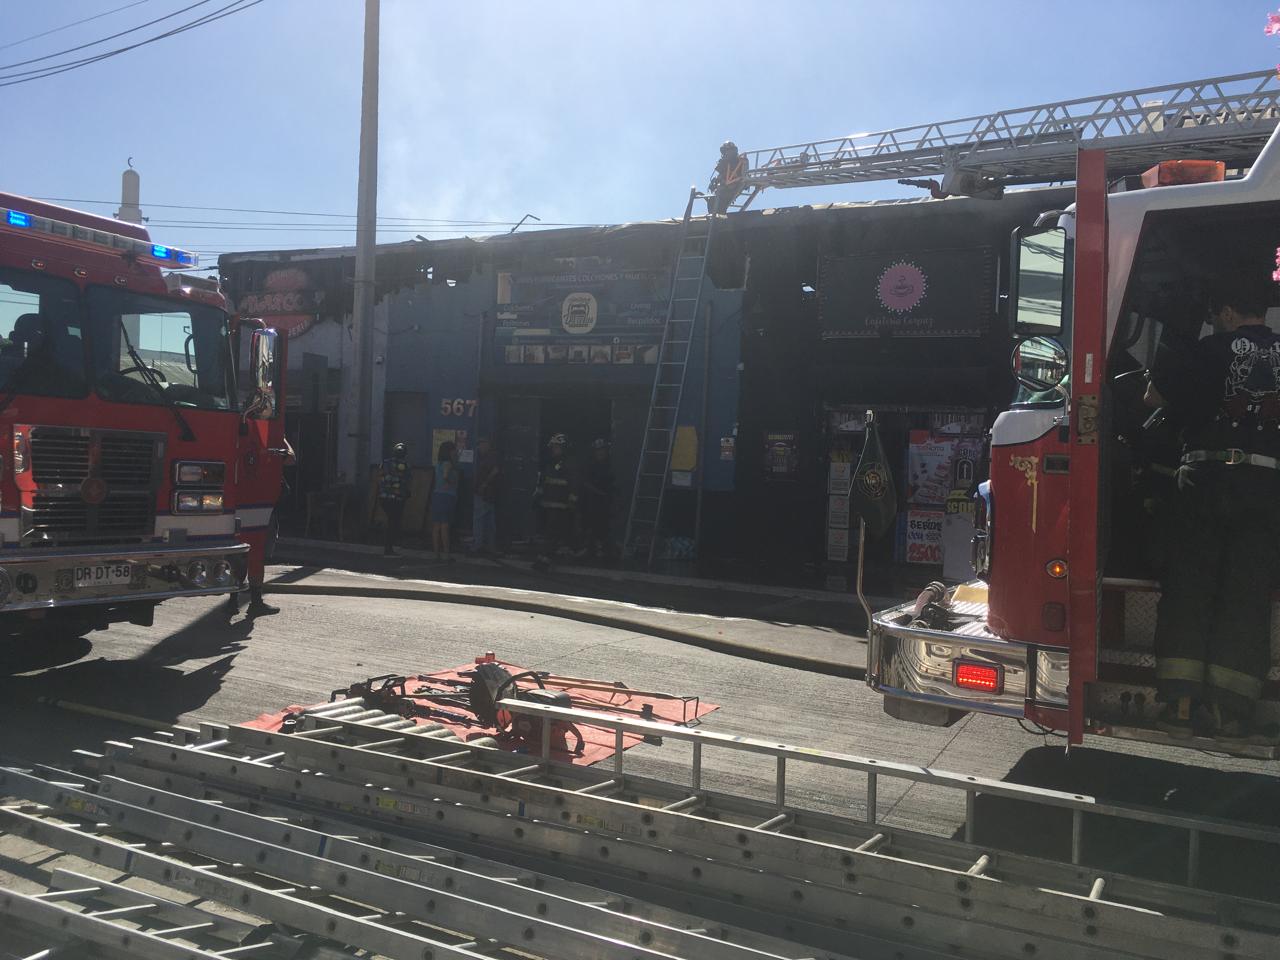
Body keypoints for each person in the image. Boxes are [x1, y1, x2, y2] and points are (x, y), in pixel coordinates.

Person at [1144, 268, 1280, 742]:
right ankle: (1233, 712)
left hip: (1205, 478)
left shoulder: (1208, 350)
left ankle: (1181, 705)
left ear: (1226, 313)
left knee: (1191, 587)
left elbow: (1156, 396)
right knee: (1247, 593)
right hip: (1267, 486)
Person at [228, 434, 294, 619]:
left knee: (238, 555)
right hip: (262, 501)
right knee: (257, 553)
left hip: (238, 501)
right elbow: (290, 457)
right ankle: (255, 601)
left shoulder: (235, 430)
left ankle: (233, 601)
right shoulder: (272, 436)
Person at [533, 432, 576, 566]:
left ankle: (546, 558)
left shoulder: (569, 464)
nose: (554, 450)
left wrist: (572, 501)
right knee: (548, 531)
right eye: (553, 447)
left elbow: (574, 485)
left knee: (553, 532)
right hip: (548, 503)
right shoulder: (550, 462)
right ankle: (547, 556)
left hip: (561, 505)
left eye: (557, 447)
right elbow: (543, 480)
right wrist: (538, 495)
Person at [578, 438, 614, 559]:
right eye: (598, 450)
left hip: (606, 500)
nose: (600, 453)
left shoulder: (610, 465)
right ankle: (588, 548)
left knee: (603, 524)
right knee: (589, 523)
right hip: (591, 499)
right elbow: (584, 481)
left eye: (602, 450)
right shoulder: (590, 465)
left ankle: (602, 549)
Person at [379, 441, 412, 556]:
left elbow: (381, 476)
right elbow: (407, 481)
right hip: (397, 498)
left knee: (390, 520)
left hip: (384, 497)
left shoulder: (385, 463)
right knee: (394, 521)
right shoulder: (406, 465)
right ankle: (389, 547)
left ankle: (388, 545)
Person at [431, 440, 460, 560]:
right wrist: (451, 482)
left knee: (436, 526)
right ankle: (446, 553)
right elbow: (445, 476)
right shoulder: (448, 464)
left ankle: (436, 553)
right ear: (449, 451)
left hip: (437, 494)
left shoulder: (438, 463)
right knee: (445, 526)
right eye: (454, 449)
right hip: (447, 495)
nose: (456, 451)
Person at [472, 437, 500, 555]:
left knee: (479, 520)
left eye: (481, 445)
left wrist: (484, 484)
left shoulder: (490, 458)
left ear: (487, 444)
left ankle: (478, 546)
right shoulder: (489, 457)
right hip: (489, 495)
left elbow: (495, 471)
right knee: (489, 521)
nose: (479, 448)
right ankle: (490, 546)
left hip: (484, 494)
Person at [709, 141, 747, 215]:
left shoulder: (736, 161)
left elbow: (739, 175)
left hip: (729, 188)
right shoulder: (728, 163)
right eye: (724, 152)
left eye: (726, 151)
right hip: (726, 190)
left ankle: (717, 215)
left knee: (714, 201)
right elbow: (722, 174)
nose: (724, 154)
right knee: (713, 201)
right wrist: (715, 181)